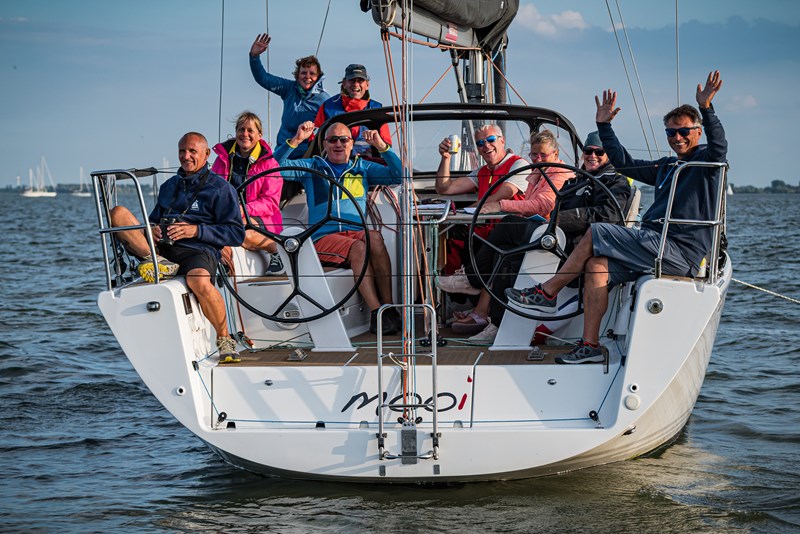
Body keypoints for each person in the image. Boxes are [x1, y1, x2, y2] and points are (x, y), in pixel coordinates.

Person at [507, 71, 727, 364]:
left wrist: (706, 108)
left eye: (684, 131)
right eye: (671, 133)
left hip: (680, 250)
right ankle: (590, 346)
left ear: (697, 132)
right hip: (654, 244)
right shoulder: (667, 166)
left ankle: (547, 293)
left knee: (598, 231)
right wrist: (604, 125)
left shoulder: (707, 162)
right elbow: (624, 163)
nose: (677, 138)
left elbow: (719, 146)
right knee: (597, 266)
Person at [464, 130, 634, 342]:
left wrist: (561, 219)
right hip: (558, 238)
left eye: (599, 152)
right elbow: (558, 209)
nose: (592, 156)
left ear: (609, 154)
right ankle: (498, 325)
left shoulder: (615, 183)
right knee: (507, 257)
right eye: (588, 151)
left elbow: (608, 216)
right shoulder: (576, 181)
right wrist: (556, 220)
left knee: (508, 223)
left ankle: (471, 279)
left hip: (575, 248)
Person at [109, 133, 246, 362]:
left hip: (197, 250)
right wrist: (152, 229)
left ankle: (225, 340)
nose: (186, 156)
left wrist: (195, 230)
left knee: (198, 281)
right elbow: (154, 219)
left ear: (206, 154)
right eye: (182, 151)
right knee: (117, 214)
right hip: (161, 248)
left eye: (192, 151)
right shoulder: (168, 186)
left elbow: (236, 233)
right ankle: (156, 262)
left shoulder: (221, 189)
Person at [274, 120, 403, 334]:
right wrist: (296, 140)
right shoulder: (312, 168)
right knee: (359, 248)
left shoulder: (362, 168)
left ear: (351, 143)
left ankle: (388, 309)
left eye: (344, 139)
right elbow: (275, 168)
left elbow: (398, 176)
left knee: (375, 238)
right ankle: (376, 312)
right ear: (325, 144)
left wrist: (381, 146)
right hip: (322, 238)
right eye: (333, 140)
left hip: (354, 233)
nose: (338, 144)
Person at [440, 129, 574, 336]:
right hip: (535, 230)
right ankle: (494, 322)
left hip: (550, 234)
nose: (538, 159)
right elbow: (444, 188)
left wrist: (500, 205)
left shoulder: (558, 173)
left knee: (507, 224)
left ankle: (472, 281)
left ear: (555, 154)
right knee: (502, 252)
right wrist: (446, 158)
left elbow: (544, 205)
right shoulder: (536, 173)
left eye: (543, 155)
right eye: (534, 155)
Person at [435, 124, 529, 297]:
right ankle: (456, 295)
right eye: (480, 143)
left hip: (511, 231)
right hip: (487, 229)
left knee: (470, 237)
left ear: (502, 141)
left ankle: (468, 284)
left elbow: (504, 193)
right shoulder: (482, 172)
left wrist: (468, 210)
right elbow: (444, 188)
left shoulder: (519, 164)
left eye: (490, 140)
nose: (486, 145)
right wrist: (445, 158)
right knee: (453, 233)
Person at [211, 111, 284, 275]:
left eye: (250, 130)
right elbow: (211, 189)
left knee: (241, 232)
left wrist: (243, 209)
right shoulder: (221, 159)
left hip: (262, 218)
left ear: (259, 135)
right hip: (227, 216)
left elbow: (271, 202)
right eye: (241, 129)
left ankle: (277, 251)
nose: (245, 134)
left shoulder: (270, 164)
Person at [249, 34, 329, 158]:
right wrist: (254, 57)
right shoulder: (289, 88)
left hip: (308, 157)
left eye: (312, 73)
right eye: (303, 73)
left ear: (318, 77)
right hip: (282, 152)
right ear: (297, 75)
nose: (307, 77)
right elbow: (263, 79)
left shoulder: (324, 99)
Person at [313, 64, 392, 156]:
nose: (356, 84)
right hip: (334, 162)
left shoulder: (377, 109)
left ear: (367, 85)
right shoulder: (327, 107)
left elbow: (386, 145)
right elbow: (316, 142)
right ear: (344, 84)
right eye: (352, 80)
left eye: (360, 80)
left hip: (369, 163)